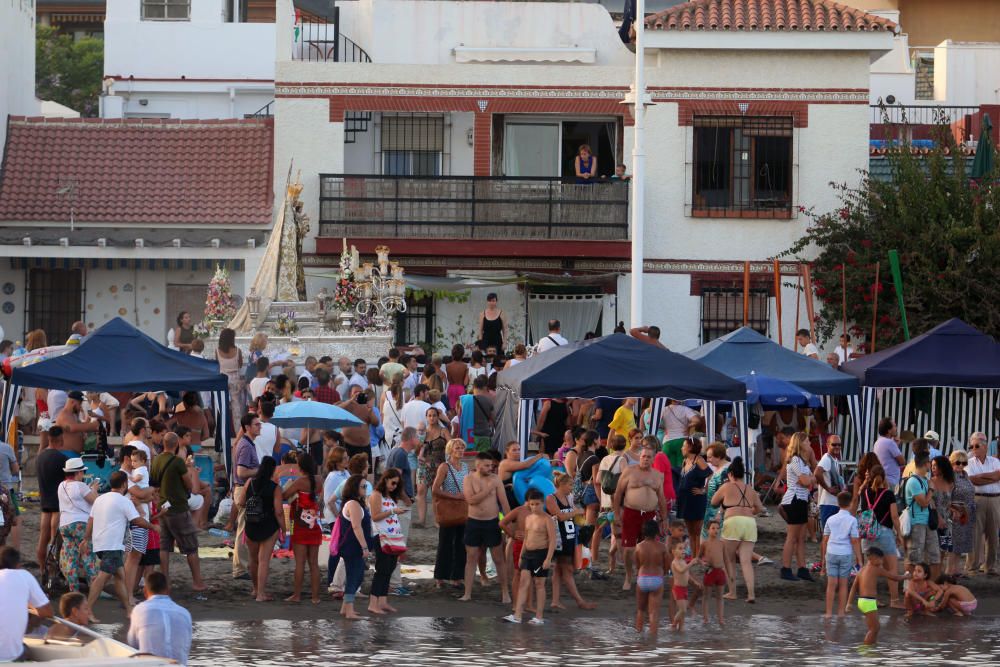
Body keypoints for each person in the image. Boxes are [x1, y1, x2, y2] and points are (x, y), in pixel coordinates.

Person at [86, 471, 154, 621]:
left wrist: (86, 539)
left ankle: (129, 610)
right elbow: (137, 521)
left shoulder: (100, 499)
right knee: (103, 577)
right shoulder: (124, 501)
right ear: (124, 484)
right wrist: (154, 527)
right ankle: (87, 609)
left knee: (119, 576)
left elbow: (91, 519)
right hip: (112, 544)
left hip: (100, 544)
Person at [150, 433, 206, 595]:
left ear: (163, 443)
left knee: (164, 546)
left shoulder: (156, 460)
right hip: (178, 508)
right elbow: (188, 483)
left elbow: (153, 483)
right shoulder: (177, 462)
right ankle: (197, 582)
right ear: (176, 445)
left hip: (162, 507)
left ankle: (165, 581)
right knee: (191, 546)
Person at [612, 446, 669, 591]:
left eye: (649, 457)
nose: (645, 459)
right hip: (631, 513)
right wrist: (616, 514)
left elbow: (662, 499)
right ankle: (628, 576)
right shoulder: (629, 472)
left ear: (653, 459)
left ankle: (641, 574)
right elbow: (618, 494)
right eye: (643, 456)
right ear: (639, 457)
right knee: (628, 549)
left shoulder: (657, 475)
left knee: (648, 548)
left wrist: (664, 519)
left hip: (649, 515)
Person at [460, 451, 510, 603]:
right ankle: (467, 593)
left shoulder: (496, 479)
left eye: (492, 465)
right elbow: (471, 500)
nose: (491, 468)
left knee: (498, 558)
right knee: (471, 557)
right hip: (474, 522)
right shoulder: (468, 479)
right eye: (487, 466)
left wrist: (509, 523)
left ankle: (505, 593)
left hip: (492, 522)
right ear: (478, 465)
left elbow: (504, 502)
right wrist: (488, 489)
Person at [710, 457, 762, 603]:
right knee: (746, 561)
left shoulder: (727, 486)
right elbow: (759, 508)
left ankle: (732, 592)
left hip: (733, 521)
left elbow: (713, 502)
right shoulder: (750, 489)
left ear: (730, 474)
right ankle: (751, 594)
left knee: (729, 559)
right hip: (750, 523)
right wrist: (749, 511)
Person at [504, 488, 556, 624]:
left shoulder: (547, 519)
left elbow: (552, 541)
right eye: (532, 504)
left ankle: (539, 617)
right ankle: (517, 615)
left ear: (542, 503)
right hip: (527, 553)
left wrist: (548, 558)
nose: (534, 507)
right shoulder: (528, 518)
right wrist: (521, 555)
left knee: (539, 584)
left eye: (537, 504)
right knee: (523, 582)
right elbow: (526, 538)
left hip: (541, 554)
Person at [545, 471, 595, 610]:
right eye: (570, 485)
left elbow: (572, 515)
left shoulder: (569, 497)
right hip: (559, 537)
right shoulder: (551, 498)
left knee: (559, 570)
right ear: (561, 485)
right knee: (566, 569)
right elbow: (559, 516)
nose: (572, 487)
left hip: (570, 536)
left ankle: (555, 601)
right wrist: (575, 512)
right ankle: (580, 601)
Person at [857, 464, 905, 608]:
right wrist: (899, 534)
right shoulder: (888, 494)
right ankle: (895, 601)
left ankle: (871, 599)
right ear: (884, 478)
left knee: (870, 568)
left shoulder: (864, 493)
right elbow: (895, 517)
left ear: (869, 478)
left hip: (868, 533)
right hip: (884, 533)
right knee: (891, 567)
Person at [239, 455, 284, 602]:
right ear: (273, 470)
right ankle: (261, 594)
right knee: (263, 560)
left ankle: (255, 589)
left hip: (251, 524)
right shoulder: (275, 488)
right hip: (268, 525)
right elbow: (278, 511)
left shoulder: (250, 483)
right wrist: (284, 528)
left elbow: (240, 502)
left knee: (253, 559)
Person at [846, 547, 910, 645]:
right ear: (872, 558)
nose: (882, 561)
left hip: (862, 601)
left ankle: (872, 645)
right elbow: (895, 578)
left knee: (874, 627)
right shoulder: (876, 569)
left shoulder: (861, 570)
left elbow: (854, 588)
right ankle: (866, 649)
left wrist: (849, 603)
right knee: (874, 628)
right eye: (880, 559)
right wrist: (906, 576)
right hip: (868, 601)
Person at [282, 453, 323, 604]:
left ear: (301, 467)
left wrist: (289, 483)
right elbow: (320, 501)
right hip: (314, 525)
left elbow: (284, 495)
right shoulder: (320, 480)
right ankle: (315, 597)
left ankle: (297, 595)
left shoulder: (299, 482)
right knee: (314, 564)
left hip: (298, 525)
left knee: (299, 563)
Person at [0, 547, 53, 662]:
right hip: (10, 656)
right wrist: (27, 603)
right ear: (18, 565)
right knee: (26, 650)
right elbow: (47, 612)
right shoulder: (24, 576)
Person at [128, 571, 192, 665]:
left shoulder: (140, 610)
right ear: (168, 590)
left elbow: (132, 644)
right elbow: (186, 646)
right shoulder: (184, 613)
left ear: (145, 591)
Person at [368, 468, 408, 614]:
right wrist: (392, 511)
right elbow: (375, 516)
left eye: (397, 484)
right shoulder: (376, 495)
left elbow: (407, 502)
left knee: (389, 569)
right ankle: (373, 603)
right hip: (381, 536)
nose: (394, 486)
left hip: (392, 537)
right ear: (385, 479)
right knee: (382, 569)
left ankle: (383, 601)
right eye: (393, 482)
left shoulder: (389, 496)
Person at [57, 457, 100, 592]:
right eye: (82, 472)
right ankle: (95, 587)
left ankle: (73, 588)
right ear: (78, 473)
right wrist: (94, 489)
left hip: (65, 524)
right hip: (81, 524)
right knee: (88, 555)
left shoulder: (61, 485)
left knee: (70, 557)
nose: (83, 474)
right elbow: (96, 501)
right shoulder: (81, 486)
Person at [432, 439, 469, 589]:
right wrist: (455, 496)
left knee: (461, 544)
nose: (460, 450)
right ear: (450, 450)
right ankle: (440, 576)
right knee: (445, 543)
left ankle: (457, 577)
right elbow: (435, 489)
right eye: (457, 448)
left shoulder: (466, 467)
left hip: (462, 509)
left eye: (462, 448)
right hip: (449, 507)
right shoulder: (445, 467)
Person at [35, 426, 70, 583]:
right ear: (60, 440)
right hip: (58, 506)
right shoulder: (62, 459)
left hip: (45, 504)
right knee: (55, 542)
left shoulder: (39, 458)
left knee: (43, 539)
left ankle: (42, 570)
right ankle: (54, 574)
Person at [384, 428, 416, 595]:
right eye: (417, 437)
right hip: (400, 504)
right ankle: (394, 584)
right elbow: (395, 481)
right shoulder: (401, 454)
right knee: (398, 544)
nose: (418, 440)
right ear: (411, 438)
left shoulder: (395, 452)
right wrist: (407, 499)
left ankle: (392, 582)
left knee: (394, 543)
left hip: (396, 503)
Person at [337, 474, 375, 620]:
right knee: (355, 576)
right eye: (363, 486)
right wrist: (365, 547)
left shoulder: (357, 503)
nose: (366, 488)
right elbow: (356, 527)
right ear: (355, 488)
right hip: (352, 546)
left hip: (354, 545)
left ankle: (345, 608)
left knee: (356, 575)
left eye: (366, 486)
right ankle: (349, 610)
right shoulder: (353, 504)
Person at [779, 432, 815, 582]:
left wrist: (808, 480)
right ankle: (786, 568)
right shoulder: (794, 460)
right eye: (807, 441)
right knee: (792, 537)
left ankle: (802, 568)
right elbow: (806, 481)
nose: (810, 444)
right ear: (800, 444)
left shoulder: (802, 461)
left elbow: (810, 480)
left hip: (801, 499)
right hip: (793, 499)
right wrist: (808, 480)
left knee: (801, 537)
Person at [822, 491, 862, 619]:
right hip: (845, 553)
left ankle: (828, 613)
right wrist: (859, 559)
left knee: (831, 584)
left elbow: (825, 540)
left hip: (831, 552)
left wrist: (823, 559)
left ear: (837, 503)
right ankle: (840, 613)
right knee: (844, 584)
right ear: (850, 504)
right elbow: (855, 540)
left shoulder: (830, 519)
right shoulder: (852, 520)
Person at [966, 430, 1000, 576]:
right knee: (975, 534)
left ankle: (990, 566)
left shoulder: (995, 461)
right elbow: (972, 479)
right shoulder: (968, 462)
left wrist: (982, 477)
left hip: (994, 499)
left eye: (976, 446)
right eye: (972, 446)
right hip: (977, 498)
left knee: (993, 535)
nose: (973, 449)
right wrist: (991, 478)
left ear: (985, 446)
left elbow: (998, 475)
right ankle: (972, 567)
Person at [232, 413, 261, 579]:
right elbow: (241, 472)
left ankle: (242, 566)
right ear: (247, 427)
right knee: (243, 529)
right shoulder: (246, 445)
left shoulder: (247, 444)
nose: (259, 427)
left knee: (244, 529)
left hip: (244, 489)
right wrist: (260, 470)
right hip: (243, 489)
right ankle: (240, 568)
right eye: (256, 424)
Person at [905, 452, 941, 577]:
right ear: (927, 464)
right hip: (917, 523)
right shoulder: (913, 482)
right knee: (915, 556)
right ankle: (910, 585)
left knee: (934, 555)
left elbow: (929, 502)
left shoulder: (925, 480)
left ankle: (932, 586)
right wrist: (931, 490)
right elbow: (924, 502)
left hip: (927, 522)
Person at [676, 437, 711, 558]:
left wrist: (704, 490)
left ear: (690, 447)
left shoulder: (699, 460)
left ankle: (697, 557)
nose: (681, 448)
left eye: (683, 446)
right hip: (685, 499)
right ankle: (693, 556)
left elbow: (711, 474)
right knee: (690, 531)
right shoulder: (685, 460)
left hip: (696, 499)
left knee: (697, 531)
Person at [634, 520, 668, 637]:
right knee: (653, 612)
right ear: (657, 532)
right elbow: (666, 566)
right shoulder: (662, 547)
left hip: (642, 578)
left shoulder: (638, 546)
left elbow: (637, 565)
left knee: (640, 610)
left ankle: (639, 635)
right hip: (657, 578)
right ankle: (653, 640)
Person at [948, 450, 975, 576]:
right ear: (952, 462)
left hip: (967, 512)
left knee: (961, 543)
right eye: (958, 463)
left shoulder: (965, 475)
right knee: (953, 544)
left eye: (964, 463)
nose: (960, 466)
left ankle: (956, 569)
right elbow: (947, 497)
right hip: (955, 513)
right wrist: (953, 510)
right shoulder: (950, 477)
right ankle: (949, 571)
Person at [930, 455, 955, 578]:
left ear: (942, 467)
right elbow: (931, 502)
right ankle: (933, 577)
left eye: (935, 465)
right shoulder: (931, 482)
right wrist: (939, 518)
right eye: (932, 465)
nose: (932, 468)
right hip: (934, 519)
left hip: (947, 520)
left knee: (944, 550)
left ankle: (938, 576)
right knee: (934, 550)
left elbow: (949, 502)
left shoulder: (950, 483)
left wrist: (955, 511)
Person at [699, 520, 727, 625]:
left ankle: (721, 619)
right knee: (706, 596)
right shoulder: (705, 544)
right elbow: (698, 557)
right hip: (710, 571)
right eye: (713, 528)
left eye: (717, 528)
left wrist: (729, 574)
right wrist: (702, 563)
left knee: (720, 597)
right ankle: (705, 618)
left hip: (720, 572)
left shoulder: (721, 544)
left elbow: (727, 559)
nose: (716, 530)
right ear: (708, 530)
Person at [216, 327, 245, 423]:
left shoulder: (217, 351)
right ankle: (238, 431)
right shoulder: (237, 351)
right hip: (235, 380)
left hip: (222, 379)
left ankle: (220, 431)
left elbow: (217, 365)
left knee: (221, 406)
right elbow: (240, 365)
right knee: (236, 408)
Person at [0, 435, 21, 550]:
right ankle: (16, 552)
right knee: (16, 519)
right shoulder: (7, 448)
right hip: (7, 489)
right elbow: (15, 470)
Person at [873, 417, 904, 488]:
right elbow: (902, 462)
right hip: (891, 481)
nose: (896, 428)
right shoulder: (890, 443)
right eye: (894, 426)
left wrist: (895, 445)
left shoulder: (877, 442)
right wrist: (895, 446)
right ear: (889, 430)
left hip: (882, 479)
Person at [670, 541, 692, 631]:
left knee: (682, 611)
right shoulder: (675, 562)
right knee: (683, 610)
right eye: (680, 548)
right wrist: (691, 563)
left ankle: (681, 628)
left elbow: (686, 574)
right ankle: (674, 625)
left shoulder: (683, 561)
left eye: (684, 548)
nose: (683, 550)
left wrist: (694, 582)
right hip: (678, 588)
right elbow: (681, 571)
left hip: (685, 588)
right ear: (673, 551)